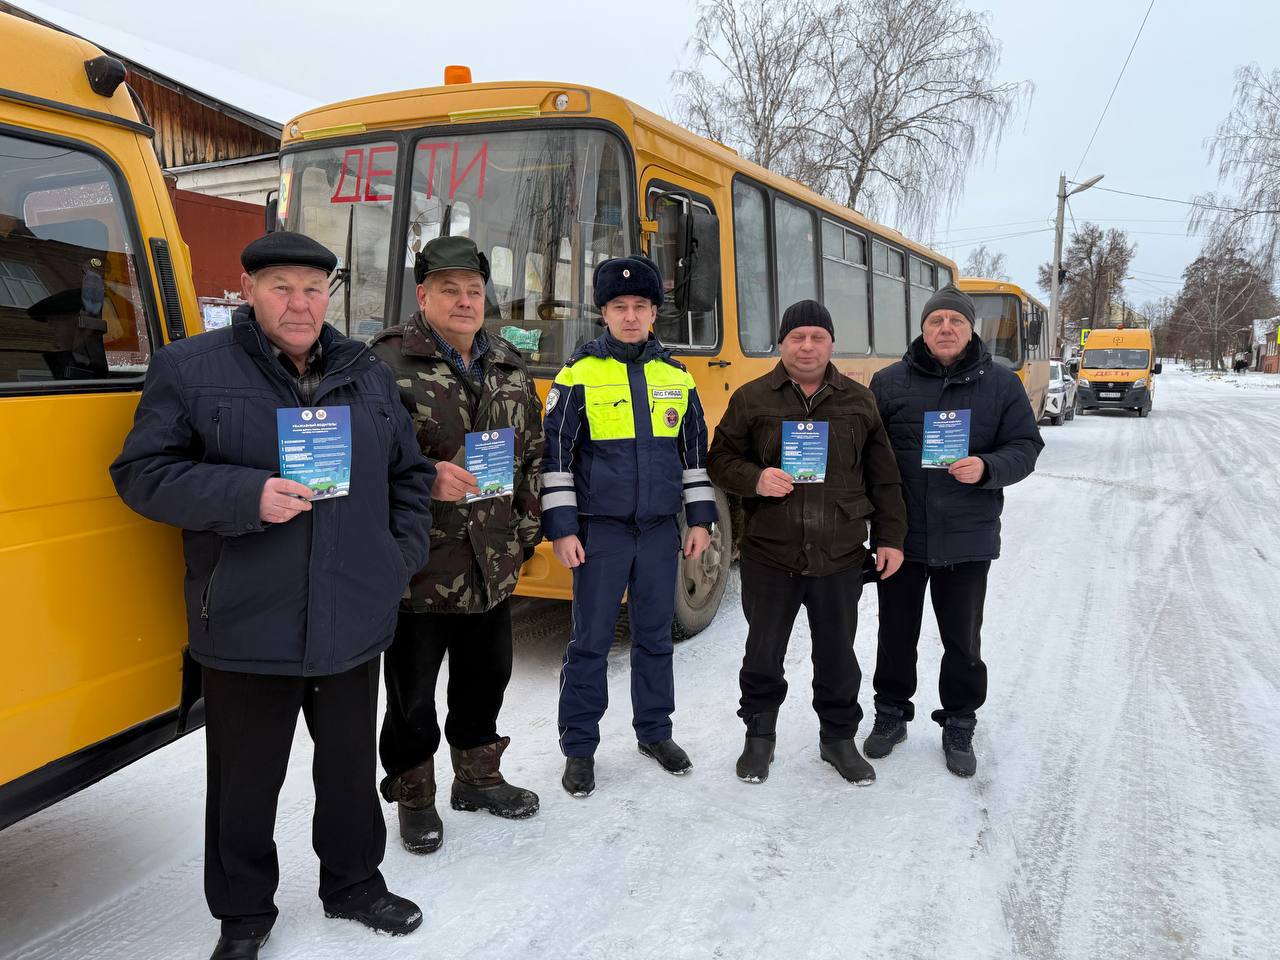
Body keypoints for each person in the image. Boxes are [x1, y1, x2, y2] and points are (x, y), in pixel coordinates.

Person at [110, 232, 434, 960]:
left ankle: (355, 884)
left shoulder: (367, 373)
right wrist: (244, 493)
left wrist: (395, 558)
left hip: (353, 612)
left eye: (314, 289)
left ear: (331, 295)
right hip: (246, 618)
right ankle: (244, 914)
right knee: (244, 784)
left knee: (348, 769)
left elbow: (409, 475)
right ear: (249, 290)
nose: (300, 303)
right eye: (282, 287)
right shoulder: (190, 370)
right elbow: (141, 473)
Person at [371, 235, 543, 855]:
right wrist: (424, 474)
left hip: (490, 560)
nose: (465, 301)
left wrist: (525, 536)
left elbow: (531, 458)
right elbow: (362, 461)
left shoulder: (506, 362)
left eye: (474, 290)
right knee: (411, 695)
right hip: (418, 567)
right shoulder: (383, 365)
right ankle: (415, 797)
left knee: (487, 677)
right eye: (450, 290)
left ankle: (476, 778)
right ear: (424, 295)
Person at [707, 300, 907, 785]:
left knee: (838, 655)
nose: (807, 346)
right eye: (797, 337)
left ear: (831, 343)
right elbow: (720, 460)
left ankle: (838, 739)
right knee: (762, 652)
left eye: (817, 337)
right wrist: (755, 479)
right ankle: (759, 737)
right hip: (769, 553)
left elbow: (884, 479)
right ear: (782, 343)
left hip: (839, 553)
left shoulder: (859, 403)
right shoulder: (753, 398)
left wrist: (891, 538)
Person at [540, 254, 717, 798]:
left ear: (654, 314)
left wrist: (701, 521)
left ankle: (655, 732)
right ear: (604, 314)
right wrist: (564, 529)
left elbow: (694, 456)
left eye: (641, 305)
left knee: (655, 637)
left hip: (661, 531)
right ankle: (579, 748)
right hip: (601, 534)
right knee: (590, 641)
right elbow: (557, 459)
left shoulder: (676, 377)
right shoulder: (578, 376)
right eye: (620, 306)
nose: (631, 315)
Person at [865, 285, 1043, 778]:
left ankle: (959, 720)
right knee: (894, 633)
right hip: (901, 537)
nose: (945, 329)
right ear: (922, 330)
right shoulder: (888, 383)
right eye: (936, 321)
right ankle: (891, 714)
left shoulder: (1002, 386)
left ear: (970, 330)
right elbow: (867, 456)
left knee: (962, 639)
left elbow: (1027, 445)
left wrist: (988, 466)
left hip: (967, 537)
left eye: (956, 322)